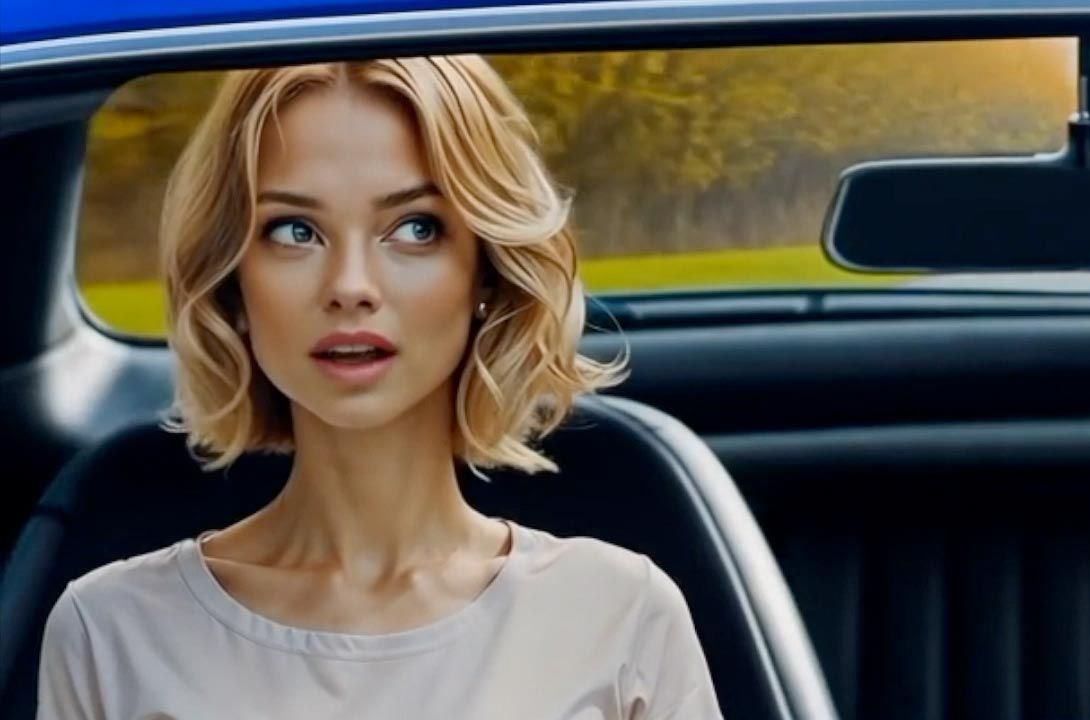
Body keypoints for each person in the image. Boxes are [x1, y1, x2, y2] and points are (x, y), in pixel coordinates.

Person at [36, 55, 723, 719]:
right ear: (232, 281)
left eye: (414, 228)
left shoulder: (619, 616)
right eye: (295, 231)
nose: (350, 288)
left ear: (484, 273)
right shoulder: (110, 631)